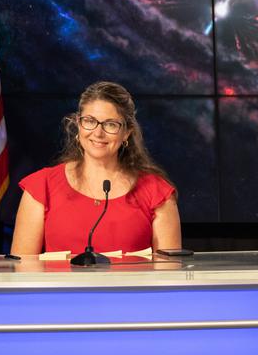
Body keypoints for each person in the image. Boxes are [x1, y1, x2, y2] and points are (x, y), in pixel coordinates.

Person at [11, 82, 181, 255]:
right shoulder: (41, 186)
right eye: (90, 121)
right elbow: (23, 272)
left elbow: (168, 275)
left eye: (111, 124)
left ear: (127, 132)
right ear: (78, 123)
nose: (98, 133)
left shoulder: (156, 192)